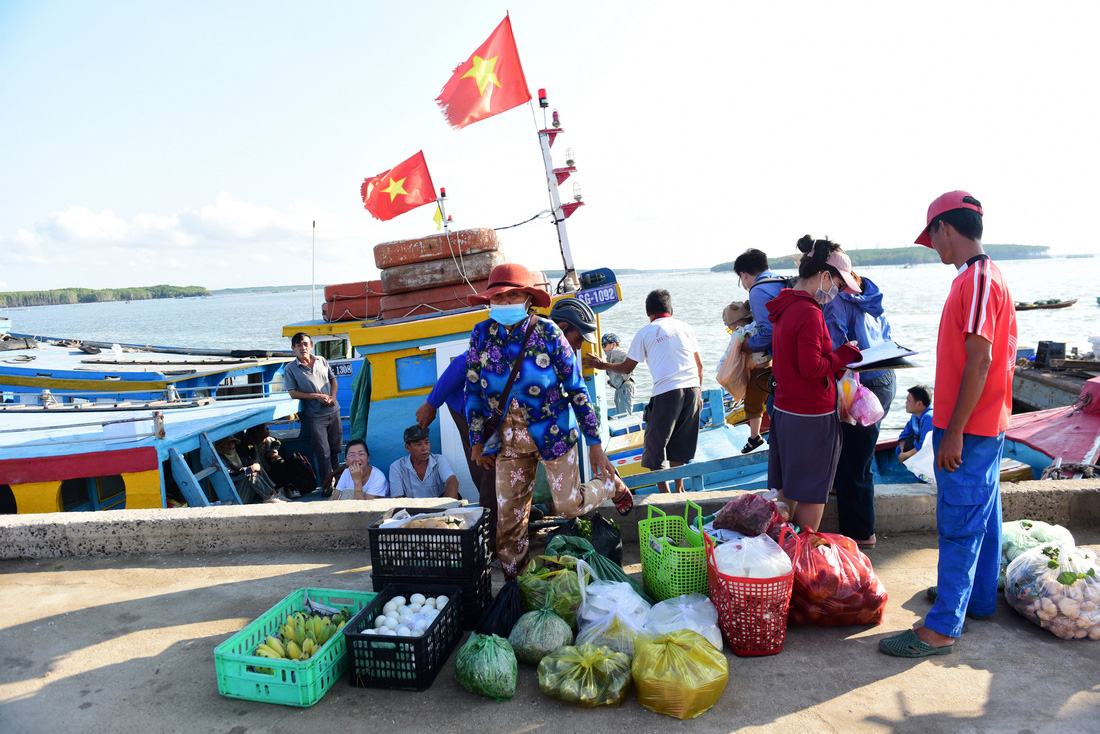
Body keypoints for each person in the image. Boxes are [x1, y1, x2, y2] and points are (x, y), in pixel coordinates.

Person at [880, 191, 1017, 658]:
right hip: (986, 422)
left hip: (972, 426)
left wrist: (953, 430)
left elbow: (980, 362)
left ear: (945, 229)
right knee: (984, 513)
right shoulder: (984, 276)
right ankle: (975, 601)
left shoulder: (977, 279)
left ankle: (941, 629)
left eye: (932, 237)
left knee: (960, 521)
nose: (932, 248)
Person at [465, 263, 631, 579]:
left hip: (553, 434)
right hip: (507, 441)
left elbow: (576, 388)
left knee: (568, 506)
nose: (503, 303)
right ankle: (517, 586)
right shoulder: (481, 334)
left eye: (511, 296)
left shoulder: (548, 332)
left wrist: (595, 443)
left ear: (528, 299)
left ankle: (608, 484)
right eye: (497, 298)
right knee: (509, 521)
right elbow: (472, 389)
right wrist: (478, 442)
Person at [765, 236, 862, 532]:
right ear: (823, 276)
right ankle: (803, 564)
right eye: (839, 284)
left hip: (785, 411)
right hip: (812, 417)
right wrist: (843, 355)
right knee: (811, 495)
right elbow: (811, 368)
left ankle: (781, 566)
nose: (838, 292)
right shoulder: (809, 312)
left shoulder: (784, 305)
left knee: (786, 496)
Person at [584, 289, 703, 493]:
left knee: (654, 445)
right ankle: (679, 489)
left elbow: (627, 368)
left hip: (667, 392)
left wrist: (602, 365)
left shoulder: (646, 332)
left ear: (648, 312)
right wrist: (699, 394)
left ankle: (664, 494)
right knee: (680, 442)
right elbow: (699, 366)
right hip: (693, 389)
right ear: (671, 310)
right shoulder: (685, 327)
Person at [824, 261, 897, 548]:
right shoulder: (870, 292)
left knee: (854, 461)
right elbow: (888, 334)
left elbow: (834, 345)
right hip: (886, 379)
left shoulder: (837, 301)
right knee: (860, 455)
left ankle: (860, 533)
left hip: (859, 385)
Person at [414, 354, 498, 545]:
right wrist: (432, 403)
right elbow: (461, 364)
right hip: (470, 408)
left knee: (496, 469)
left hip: (495, 413)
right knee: (489, 471)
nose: (578, 347)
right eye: (576, 339)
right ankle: (492, 541)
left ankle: (506, 518)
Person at [733, 248, 788, 453]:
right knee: (774, 401)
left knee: (775, 404)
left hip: (785, 360)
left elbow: (768, 331)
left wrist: (748, 346)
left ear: (744, 275)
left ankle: (780, 451)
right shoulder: (780, 281)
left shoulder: (757, 290)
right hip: (794, 355)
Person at [283, 332, 342, 487]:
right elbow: (293, 392)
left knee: (336, 451)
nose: (303, 347)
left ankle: (342, 485)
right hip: (316, 417)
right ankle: (326, 485)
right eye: (299, 345)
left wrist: (333, 397)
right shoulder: (290, 369)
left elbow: (333, 380)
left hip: (334, 412)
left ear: (311, 346)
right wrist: (317, 396)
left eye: (305, 344)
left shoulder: (321, 360)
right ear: (293, 348)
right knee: (323, 454)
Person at [388, 425, 460, 499]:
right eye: (418, 444)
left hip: (439, 508)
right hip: (410, 509)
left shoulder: (439, 460)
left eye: (426, 442)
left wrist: (446, 505)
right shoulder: (397, 467)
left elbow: (452, 481)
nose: (425, 448)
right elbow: (398, 499)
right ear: (408, 448)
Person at [214, 435, 281, 503]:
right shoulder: (220, 459)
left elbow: (250, 460)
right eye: (226, 443)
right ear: (220, 445)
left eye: (232, 442)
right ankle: (269, 498)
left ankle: (274, 494)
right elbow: (231, 476)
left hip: (246, 491)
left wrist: (255, 463)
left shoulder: (237, 455)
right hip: (234, 497)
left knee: (258, 467)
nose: (230, 444)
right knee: (251, 474)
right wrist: (250, 469)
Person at [600, 333, 636, 417]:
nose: (603, 348)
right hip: (620, 388)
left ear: (614, 344)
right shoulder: (610, 357)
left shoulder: (615, 351)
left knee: (624, 416)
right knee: (621, 414)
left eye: (604, 345)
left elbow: (627, 357)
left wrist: (626, 374)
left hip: (625, 386)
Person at [896, 385, 934, 462]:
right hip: (919, 448)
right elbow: (904, 434)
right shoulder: (914, 416)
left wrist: (906, 455)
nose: (906, 403)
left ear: (919, 404)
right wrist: (903, 452)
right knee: (898, 450)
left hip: (930, 452)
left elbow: (925, 445)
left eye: (909, 401)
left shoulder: (929, 418)